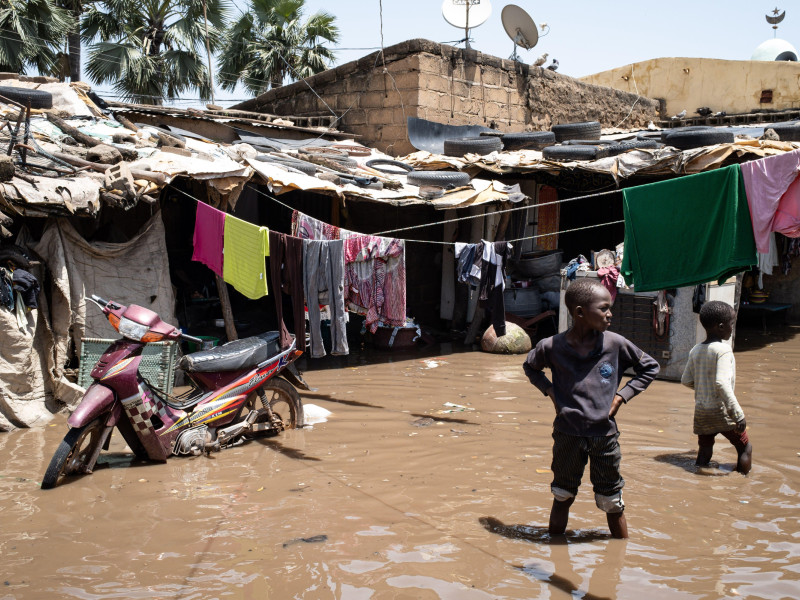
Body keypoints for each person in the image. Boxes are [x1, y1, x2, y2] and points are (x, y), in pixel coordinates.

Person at [523, 278, 660, 539]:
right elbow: (530, 367)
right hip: (567, 434)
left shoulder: (615, 344)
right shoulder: (551, 346)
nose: (610, 314)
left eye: (610, 309)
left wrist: (621, 397)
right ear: (580, 313)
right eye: (604, 308)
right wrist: (551, 392)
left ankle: (619, 559)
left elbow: (650, 367)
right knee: (562, 495)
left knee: (612, 501)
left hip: (604, 436)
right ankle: (556, 555)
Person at [681, 300, 752, 474]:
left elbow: (686, 380)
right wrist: (738, 414)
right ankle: (743, 484)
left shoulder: (696, 350)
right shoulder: (724, 350)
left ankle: (699, 476)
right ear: (721, 327)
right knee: (745, 447)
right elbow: (722, 383)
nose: (732, 328)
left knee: (705, 450)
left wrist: (704, 390)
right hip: (723, 412)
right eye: (732, 324)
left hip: (702, 411)